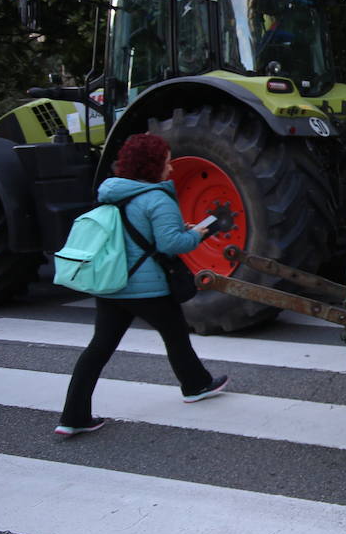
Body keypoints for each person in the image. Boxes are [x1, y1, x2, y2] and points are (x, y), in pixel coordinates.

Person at [55, 133, 229, 437]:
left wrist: (174, 230)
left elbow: (136, 234)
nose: (171, 168)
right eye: (166, 161)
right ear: (152, 165)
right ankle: (195, 385)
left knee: (98, 349)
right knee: (175, 335)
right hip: (146, 288)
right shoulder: (158, 198)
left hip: (112, 286)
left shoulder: (112, 193)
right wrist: (200, 232)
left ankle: (73, 416)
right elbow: (170, 244)